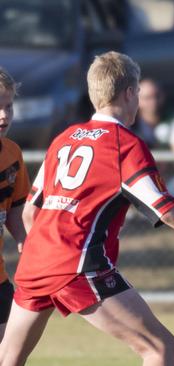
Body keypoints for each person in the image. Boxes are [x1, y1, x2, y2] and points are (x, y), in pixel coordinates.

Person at [0, 51, 174, 366]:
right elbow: (167, 210)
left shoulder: (63, 139)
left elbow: (30, 212)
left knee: (8, 358)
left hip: (34, 263)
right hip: (78, 264)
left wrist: (44, 254)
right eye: (138, 94)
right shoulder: (125, 145)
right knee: (160, 349)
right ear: (130, 93)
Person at [0, 67, 30, 341]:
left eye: (8, 106)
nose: (4, 115)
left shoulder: (12, 154)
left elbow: (16, 214)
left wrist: (28, 244)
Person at [135, 78, 174, 205]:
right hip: (139, 181)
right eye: (147, 98)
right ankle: (130, 222)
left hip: (167, 181)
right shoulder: (131, 124)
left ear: (163, 96)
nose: (153, 102)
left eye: (156, 96)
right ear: (137, 100)